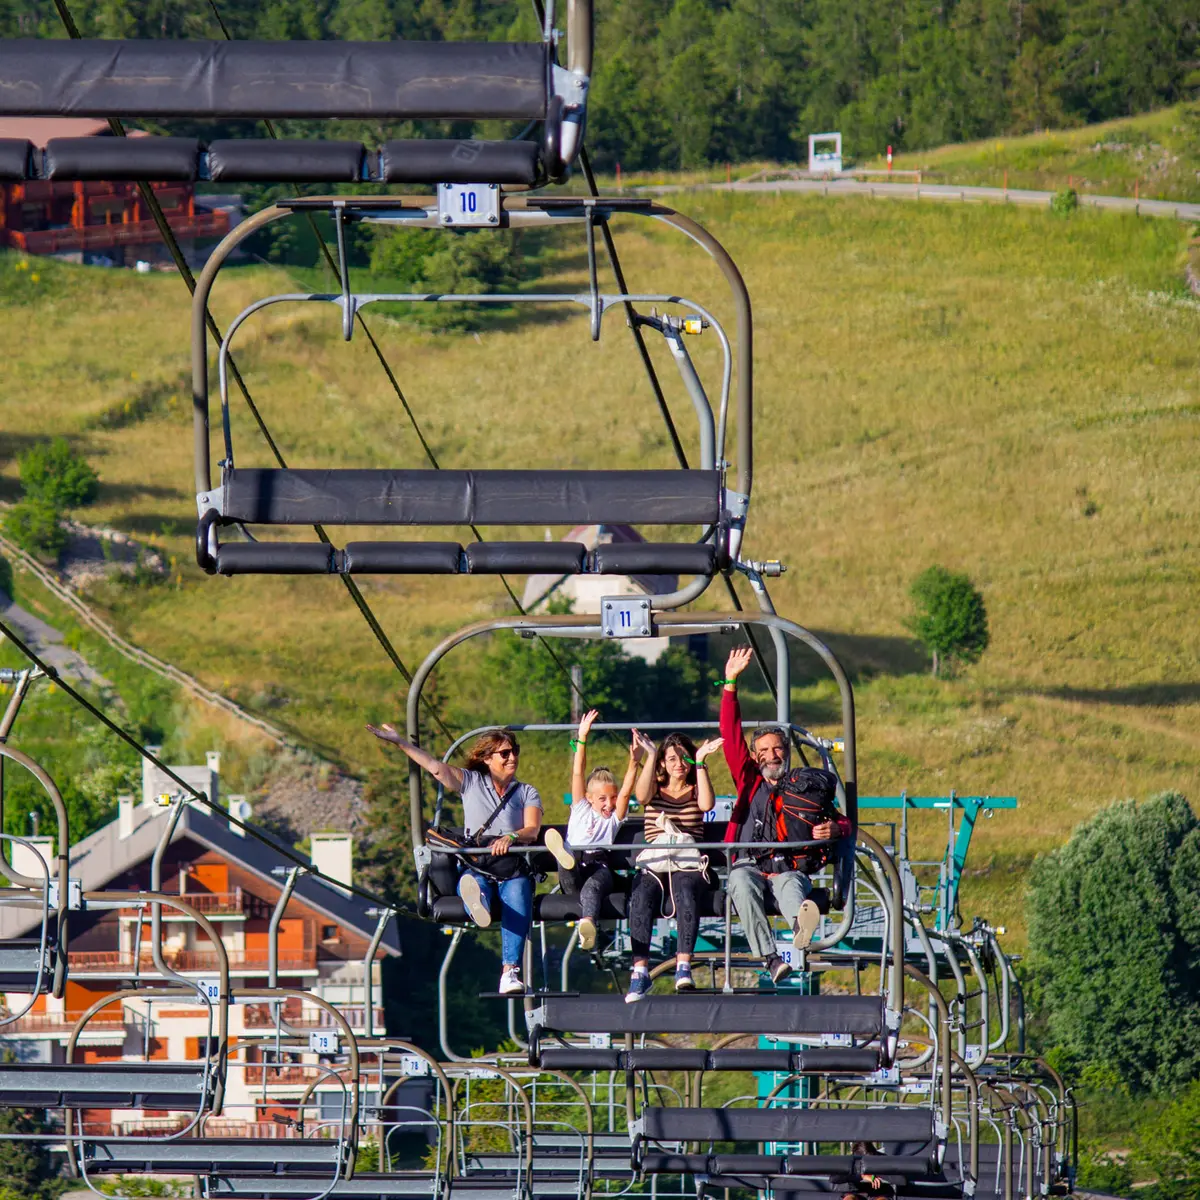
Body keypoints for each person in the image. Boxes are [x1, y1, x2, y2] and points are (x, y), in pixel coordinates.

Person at [367, 722, 541, 996]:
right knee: (473, 882)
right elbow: (436, 767)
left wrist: (511, 837)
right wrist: (400, 741)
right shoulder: (472, 782)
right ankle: (477, 904)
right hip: (478, 860)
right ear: (487, 759)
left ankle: (510, 972)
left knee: (518, 894)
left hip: (511, 865)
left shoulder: (526, 792)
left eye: (514, 751)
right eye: (505, 753)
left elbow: (532, 830)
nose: (512, 758)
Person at [719, 645, 851, 983]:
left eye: (777, 748)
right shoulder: (748, 781)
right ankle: (771, 958)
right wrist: (730, 684)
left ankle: (800, 928)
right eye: (763, 751)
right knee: (738, 882)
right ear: (755, 756)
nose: (771, 755)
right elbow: (731, 735)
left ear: (788, 752)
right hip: (752, 866)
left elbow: (841, 820)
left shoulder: (803, 786)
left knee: (793, 889)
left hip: (789, 869)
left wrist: (834, 829)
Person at [624, 730, 724, 1002]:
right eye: (671, 759)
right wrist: (652, 754)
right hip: (656, 861)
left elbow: (707, 803)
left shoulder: (694, 789)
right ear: (663, 764)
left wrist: (701, 762)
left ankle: (683, 964)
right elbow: (642, 796)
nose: (679, 764)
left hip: (687, 862)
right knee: (641, 895)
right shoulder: (655, 790)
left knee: (686, 889)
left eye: (684, 758)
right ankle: (640, 970)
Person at [543, 709, 643, 950]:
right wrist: (582, 737)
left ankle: (587, 923)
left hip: (601, 866)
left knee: (593, 886)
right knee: (568, 869)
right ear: (588, 798)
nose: (609, 804)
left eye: (613, 798)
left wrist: (634, 761)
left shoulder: (614, 819)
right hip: (576, 866)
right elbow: (578, 771)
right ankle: (565, 857)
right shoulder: (580, 809)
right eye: (602, 799)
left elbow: (628, 790)